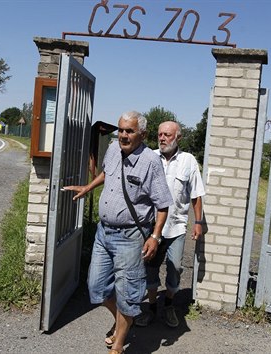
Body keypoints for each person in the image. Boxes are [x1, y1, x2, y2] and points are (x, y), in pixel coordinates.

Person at [64, 111, 172, 354]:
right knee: (97, 287)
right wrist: (88, 187)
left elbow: (163, 204)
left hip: (131, 237)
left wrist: (155, 237)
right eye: (121, 130)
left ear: (142, 134)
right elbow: (107, 173)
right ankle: (126, 319)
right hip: (104, 233)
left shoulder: (150, 162)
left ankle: (119, 344)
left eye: (129, 131)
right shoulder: (113, 148)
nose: (123, 135)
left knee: (128, 293)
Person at [134, 120, 206, 328]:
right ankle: (152, 309)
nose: (162, 138)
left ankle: (169, 307)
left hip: (176, 227)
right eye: (160, 134)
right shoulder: (150, 157)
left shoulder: (188, 161)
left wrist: (198, 221)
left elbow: (196, 195)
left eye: (167, 134)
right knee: (150, 270)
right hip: (151, 227)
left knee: (175, 268)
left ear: (178, 137)